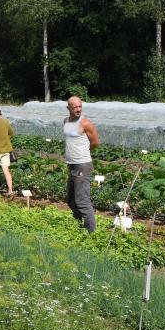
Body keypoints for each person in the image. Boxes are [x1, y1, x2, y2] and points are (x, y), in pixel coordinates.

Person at [64, 96, 100, 233]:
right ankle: (79, 225)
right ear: (69, 108)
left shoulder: (85, 123)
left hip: (83, 165)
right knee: (71, 200)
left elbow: (96, 142)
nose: (78, 109)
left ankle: (92, 233)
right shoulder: (66, 121)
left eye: (80, 106)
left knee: (82, 201)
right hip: (72, 165)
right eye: (75, 107)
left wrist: (85, 152)